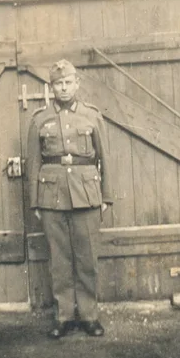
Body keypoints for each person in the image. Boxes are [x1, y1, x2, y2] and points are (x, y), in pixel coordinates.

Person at [27, 59, 113, 339]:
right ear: (51, 87)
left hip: (87, 194)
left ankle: (89, 316)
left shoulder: (91, 116)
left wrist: (106, 197)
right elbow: (33, 163)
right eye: (58, 84)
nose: (63, 88)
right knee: (60, 260)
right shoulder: (40, 119)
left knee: (86, 257)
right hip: (51, 197)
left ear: (77, 84)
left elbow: (105, 159)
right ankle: (64, 317)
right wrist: (36, 202)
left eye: (67, 83)